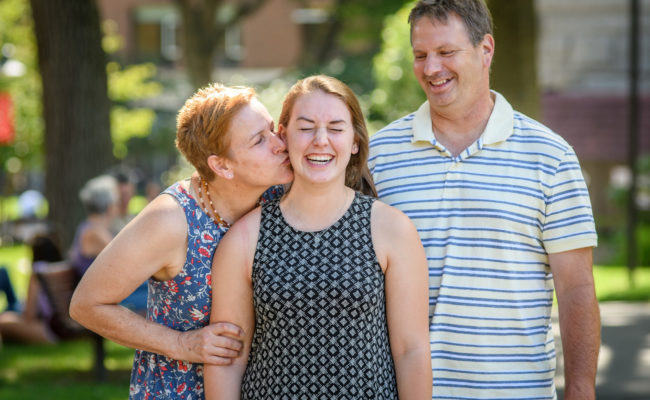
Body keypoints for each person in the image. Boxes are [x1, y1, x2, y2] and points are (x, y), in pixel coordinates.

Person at [368, 1, 600, 399]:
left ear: (486, 49)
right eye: (420, 55)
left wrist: (581, 390)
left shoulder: (552, 156)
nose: (431, 68)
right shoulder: (378, 156)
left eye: (446, 52)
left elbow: (576, 289)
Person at [204, 75, 432, 399]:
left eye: (336, 128)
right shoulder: (245, 239)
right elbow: (229, 359)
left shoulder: (392, 229)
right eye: (306, 127)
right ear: (283, 136)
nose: (320, 140)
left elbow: (412, 351)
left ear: (354, 141)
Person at [69, 83, 293, 399]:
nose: (279, 144)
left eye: (272, 129)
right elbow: (86, 304)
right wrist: (180, 344)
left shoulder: (277, 196)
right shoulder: (171, 220)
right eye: (259, 140)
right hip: (179, 390)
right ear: (222, 166)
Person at [0, 231, 64, 344]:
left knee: (4, 320)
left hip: (49, 331)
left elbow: (29, 315)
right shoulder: (62, 269)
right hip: (65, 326)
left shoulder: (38, 272)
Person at [69, 174, 120, 278]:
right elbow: (123, 256)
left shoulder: (89, 227)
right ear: (109, 206)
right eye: (117, 203)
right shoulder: (94, 232)